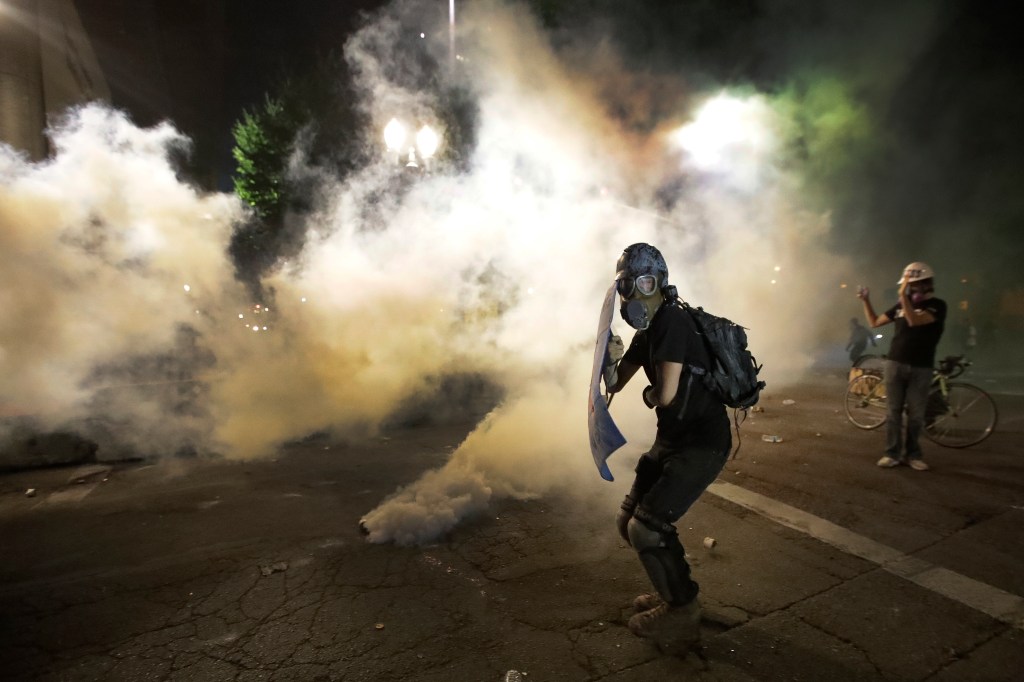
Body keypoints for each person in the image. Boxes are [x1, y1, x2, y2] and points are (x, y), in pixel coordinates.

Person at [601, 243, 731, 655]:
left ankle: (682, 610)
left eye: (644, 282)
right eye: (628, 285)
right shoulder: (649, 330)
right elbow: (614, 382)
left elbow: (667, 396)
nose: (636, 294)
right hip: (673, 440)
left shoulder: (673, 321)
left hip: (701, 443)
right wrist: (610, 358)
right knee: (629, 523)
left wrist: (649, 394)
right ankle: (672, 590)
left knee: (648, 527)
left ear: (660, 283)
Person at [857, 262, 947, 471]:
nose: (910, 289)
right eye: (909, 286)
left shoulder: (938, 306)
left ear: (926, 284)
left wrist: (903, 297)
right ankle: (892, 453)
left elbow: (915, 321)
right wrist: (866, 300)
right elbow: (874, 322)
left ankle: (913, 455)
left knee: (916, 415)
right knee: (893, 412)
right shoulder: (900, 306)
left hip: (921, 367)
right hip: (895, 364)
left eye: (913, 285)